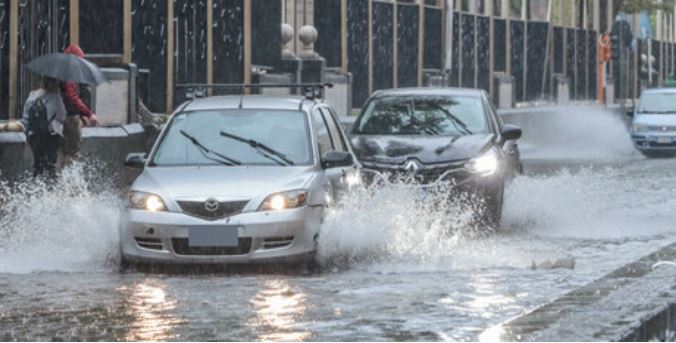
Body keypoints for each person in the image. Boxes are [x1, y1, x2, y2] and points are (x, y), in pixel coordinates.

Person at [18, 77, 67, 178]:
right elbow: (62, 116)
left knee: (38, 162)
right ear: (54, 83)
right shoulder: (56, 98)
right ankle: (50, 186)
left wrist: (27, 133)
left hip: (34, 135)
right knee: (50, 163)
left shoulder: (32, 95)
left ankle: (37, 184)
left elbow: (25, 117)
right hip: (51, 135)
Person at [59, 44, 99, 167]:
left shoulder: (62, 71)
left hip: (64, 115)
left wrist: (82, 115)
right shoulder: (69, 73)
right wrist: (88, 113)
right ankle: (68, 180)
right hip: (70, 117)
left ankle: (62, 177)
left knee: (65, 150)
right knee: (72, 150)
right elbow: (72, 96)